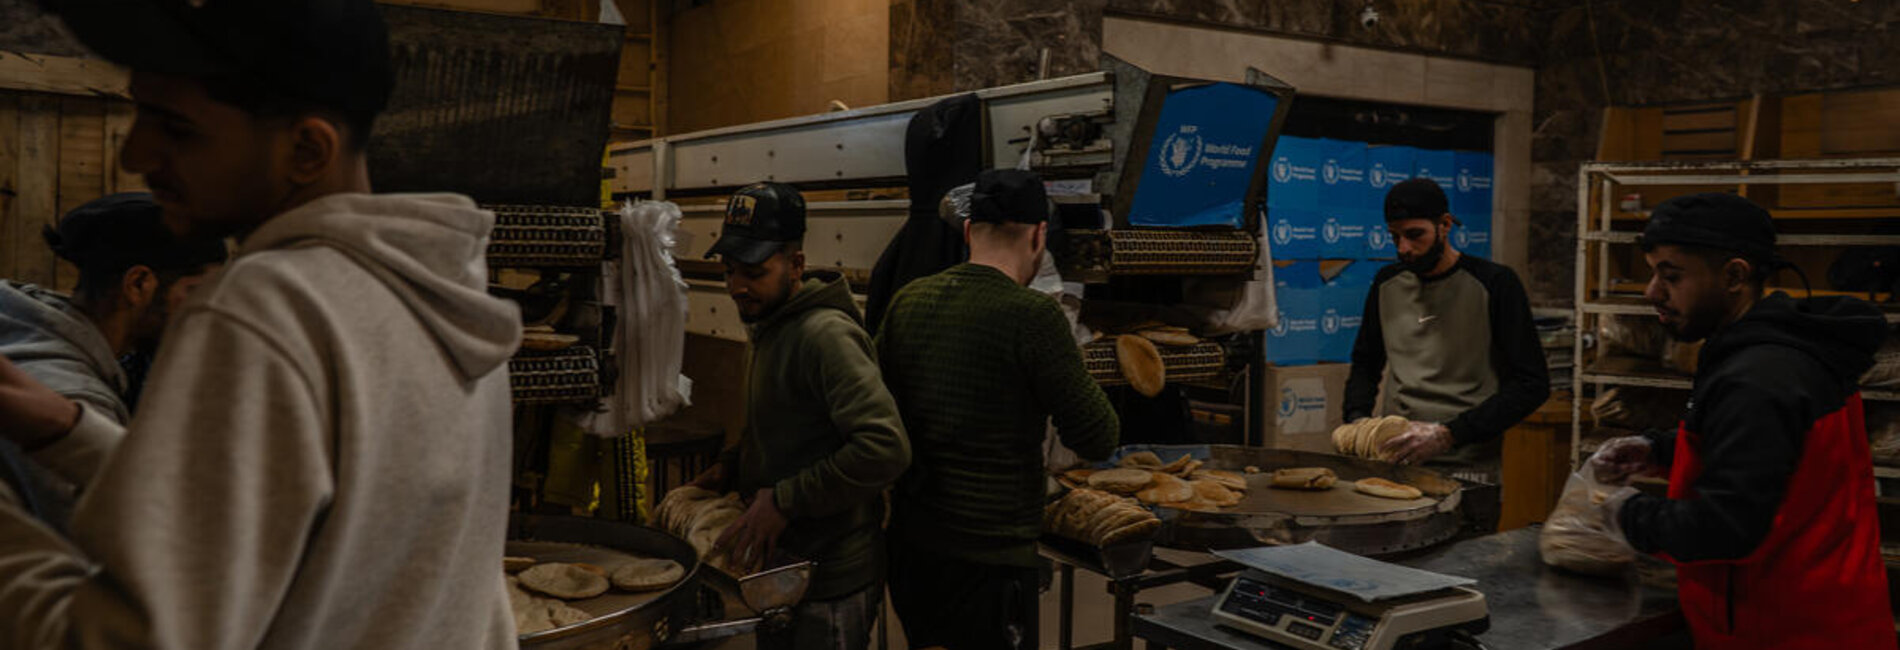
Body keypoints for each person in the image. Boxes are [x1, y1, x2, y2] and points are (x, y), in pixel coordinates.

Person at [0, 1, 523, 647]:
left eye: (175, 127)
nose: (136, 154)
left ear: (305, 150)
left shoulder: (262, 308)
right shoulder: (439, 295)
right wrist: (67, 432)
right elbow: (295, 518)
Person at [1591, 193, 1895, 649]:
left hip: (1787, 632)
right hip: (1821, 614)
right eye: (1653, 273)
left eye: (1671, 276)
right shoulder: (1787, 350)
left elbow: (1724, 528)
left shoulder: (1759, 377)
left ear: (1734, 275)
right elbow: (1773, 453)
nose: (1652, 292)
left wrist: (1621, 513)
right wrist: (1660, 450)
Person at [876, 169, 1119, 650]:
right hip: (992, 558)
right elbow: (1097, 436)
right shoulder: (1033, 316)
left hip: (912, 549)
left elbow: (878, 413)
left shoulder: (909, 301)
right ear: (1039, 236)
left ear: (968, 230)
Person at [686, 181, 910, 650]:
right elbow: (787, 425)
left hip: (830, 582)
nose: (737, 287)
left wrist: (785, 500)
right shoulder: (769, 325)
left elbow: (885, 449)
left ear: (797, 264)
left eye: (754, 272)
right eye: (729, 271)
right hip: (781, 572)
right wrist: (732, 465)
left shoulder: (825, 336)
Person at [0, 192, 226, 529]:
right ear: (138, 284)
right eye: (198, 291)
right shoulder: (68, 402)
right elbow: (131, 539)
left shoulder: (29, 321)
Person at [1343, 178, 1550, 494]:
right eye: (1395, 237)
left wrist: (1449, 434)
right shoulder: (1387, 284)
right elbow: (1366, 363)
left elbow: (1531, 384)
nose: (1404, 249)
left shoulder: (1495, 283)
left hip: (1468, 466)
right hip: (1396, 461)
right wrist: (1358, 422)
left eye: (1415, 235)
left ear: (1445, 225)